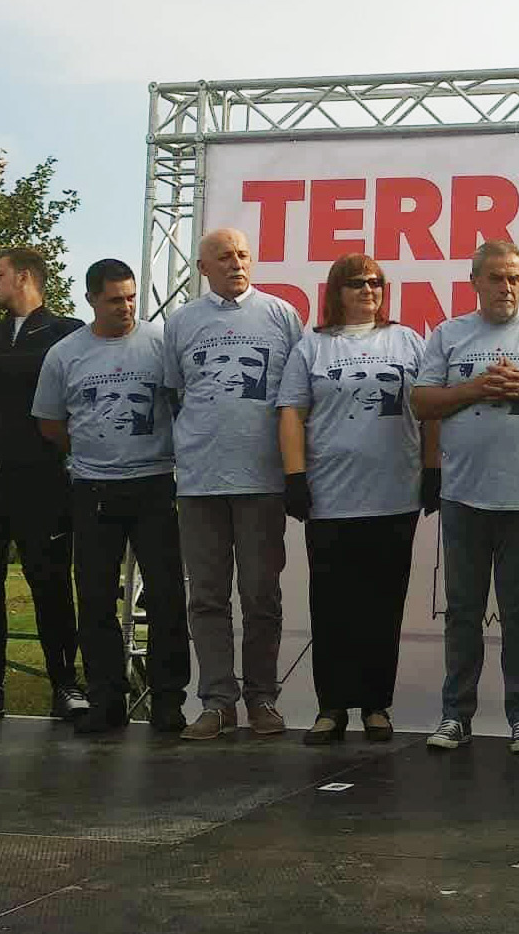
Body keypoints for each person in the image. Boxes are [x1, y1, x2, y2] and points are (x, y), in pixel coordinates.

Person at [412, 241, 519, 755]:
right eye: (495, 278)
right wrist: (477, 388)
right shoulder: (449, 333)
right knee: (463, 610)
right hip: (464, 495)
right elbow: (421, 401)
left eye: (514, 278)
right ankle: (454, 715)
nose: (505, 288)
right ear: (475, 282)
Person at [277, 254, 440, 744]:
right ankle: (330, 707)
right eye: (357, 283)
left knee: (382, 604)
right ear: (336, 291)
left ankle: (375, 705)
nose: (368, 290)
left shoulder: (409, 340)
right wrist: (294, 476)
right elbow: (291, 412)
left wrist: (433, 470)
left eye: (375, 282)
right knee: (331, 605)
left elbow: (431, 411)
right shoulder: (312, 346)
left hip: (394, 495)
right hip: (331, 496)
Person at [32, 259, 190, 734]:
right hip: (93, 487)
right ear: (91, 300)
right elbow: (50, 423)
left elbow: (182, 404)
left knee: (165, 595)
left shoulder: (161, 344)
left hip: (155, 481)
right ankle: (105, 698)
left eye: (131, 297)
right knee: (96, 598)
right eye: (114, 299)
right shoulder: (65, 354)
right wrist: (91, 449)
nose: (125, 307)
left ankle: (167, 699)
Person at [163, 228, 304, 740]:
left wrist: (294, 472)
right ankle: (216, 701)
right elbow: (174, 395)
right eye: (223, 257)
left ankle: (261, 698)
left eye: (243, 254)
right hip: (199, 481)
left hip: (262, 479)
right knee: (206, 597)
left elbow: (296, 398)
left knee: (261, 594)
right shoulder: (181, 323)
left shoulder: (281, 314)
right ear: (203, 268)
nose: (236, 263)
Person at [0, 247, 86, 726]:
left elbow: (51, 368)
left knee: (49, 582)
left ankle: (65, 684)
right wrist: (2, 365)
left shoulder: (66, 331)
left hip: (40, 477)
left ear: (24, 277)